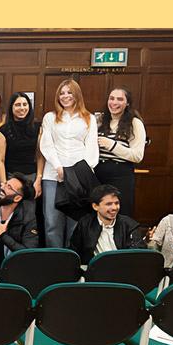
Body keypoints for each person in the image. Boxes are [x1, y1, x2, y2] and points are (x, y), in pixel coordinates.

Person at [39, 79, 99, 247]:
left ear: (77, 95)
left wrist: (79, 172)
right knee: (52, 221)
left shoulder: (89, 118)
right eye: (62, 93)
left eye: (69, 92)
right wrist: (58, 166)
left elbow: (91, 146)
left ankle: (71, 260)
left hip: (79, 176)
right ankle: (55, 260)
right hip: (53, 174)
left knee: (76, 221)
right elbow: (46, 144)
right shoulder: (50, 118)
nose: (65, 96)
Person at [95, 87, 147, 217]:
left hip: (121, 175)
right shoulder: (100, 120)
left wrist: (112, 145)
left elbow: (137, 156)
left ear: (127, 103)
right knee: (98, 215)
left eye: (120, 99)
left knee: (120, 215)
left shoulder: (135, 123)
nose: (114, 102)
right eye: (111, 98)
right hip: (98, 174)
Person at [68, 185, 145, 264]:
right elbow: (74, 253)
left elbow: (138, 254)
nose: (114, 207)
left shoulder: (129, 225)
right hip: (94, 271)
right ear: (95, 206)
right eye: (109, 204)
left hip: (123, 270)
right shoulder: (85, 224)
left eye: (116, 203)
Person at [0, 92, 44, 200]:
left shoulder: (38, 128)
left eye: (25, 104)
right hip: (11, 177)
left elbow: (40, 156)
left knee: (30, 212)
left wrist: (38, 179)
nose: (22, 108)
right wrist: (4, 184)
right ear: (11, 108)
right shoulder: (3, 130)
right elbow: (0, 160)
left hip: (32, 177)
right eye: (17, 105)